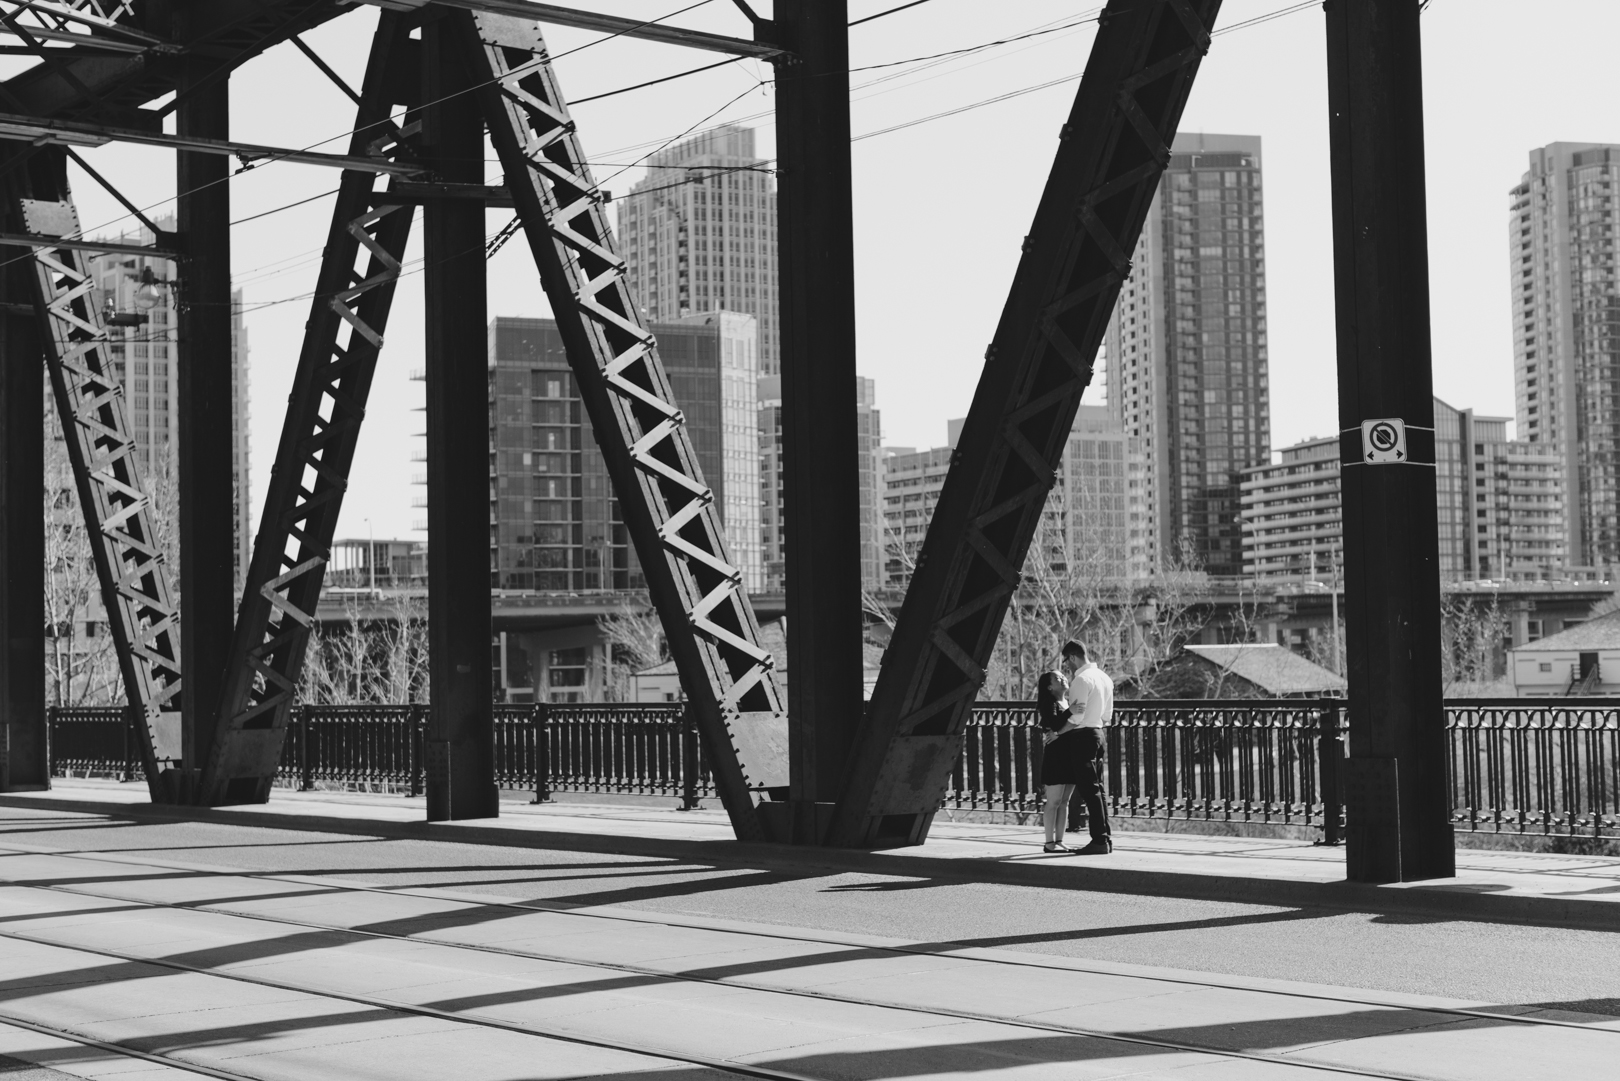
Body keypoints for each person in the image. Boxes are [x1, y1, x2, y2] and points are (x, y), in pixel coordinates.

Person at [1058, 640, 1114, 854]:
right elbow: (1107, 716)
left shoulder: (1081, 680)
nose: (1067, 667)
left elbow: (1075, 716)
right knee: (1098, 789)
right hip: (1099, 734)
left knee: (1089, 790)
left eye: (1067, 662)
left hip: (1082, 736)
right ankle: (1105, 839)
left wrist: (1057, 733)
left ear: (1072, 657)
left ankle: (1099, 841)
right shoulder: (1105, 678)